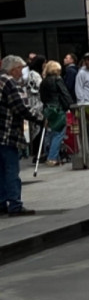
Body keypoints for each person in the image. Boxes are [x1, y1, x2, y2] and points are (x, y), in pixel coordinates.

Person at [0, 55, 43, 216]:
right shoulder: (10, 83)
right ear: (13, 69)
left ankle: (2, 202)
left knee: (1, 171)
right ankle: (15, 204)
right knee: (11, 170)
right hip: (7, 133)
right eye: (20, 68)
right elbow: (20, 108)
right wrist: (40, 118)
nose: (22, 72)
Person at [40, 61, 73, 167]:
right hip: (58, 109)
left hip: (48, 109)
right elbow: (65, 93)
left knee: (50, 133)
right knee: (59, 133)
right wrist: (70, 105)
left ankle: (48, 154)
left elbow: (42, 98)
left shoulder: (43, 82)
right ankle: (52, 157)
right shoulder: (58, 80)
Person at [24, 55, 45, 161]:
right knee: (38, 129)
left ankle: (37, 152)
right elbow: (39, 87)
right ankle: (38, 153)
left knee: (37, 129)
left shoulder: (31, 74)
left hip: (34, 104)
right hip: (36, 104)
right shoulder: (35, 75)